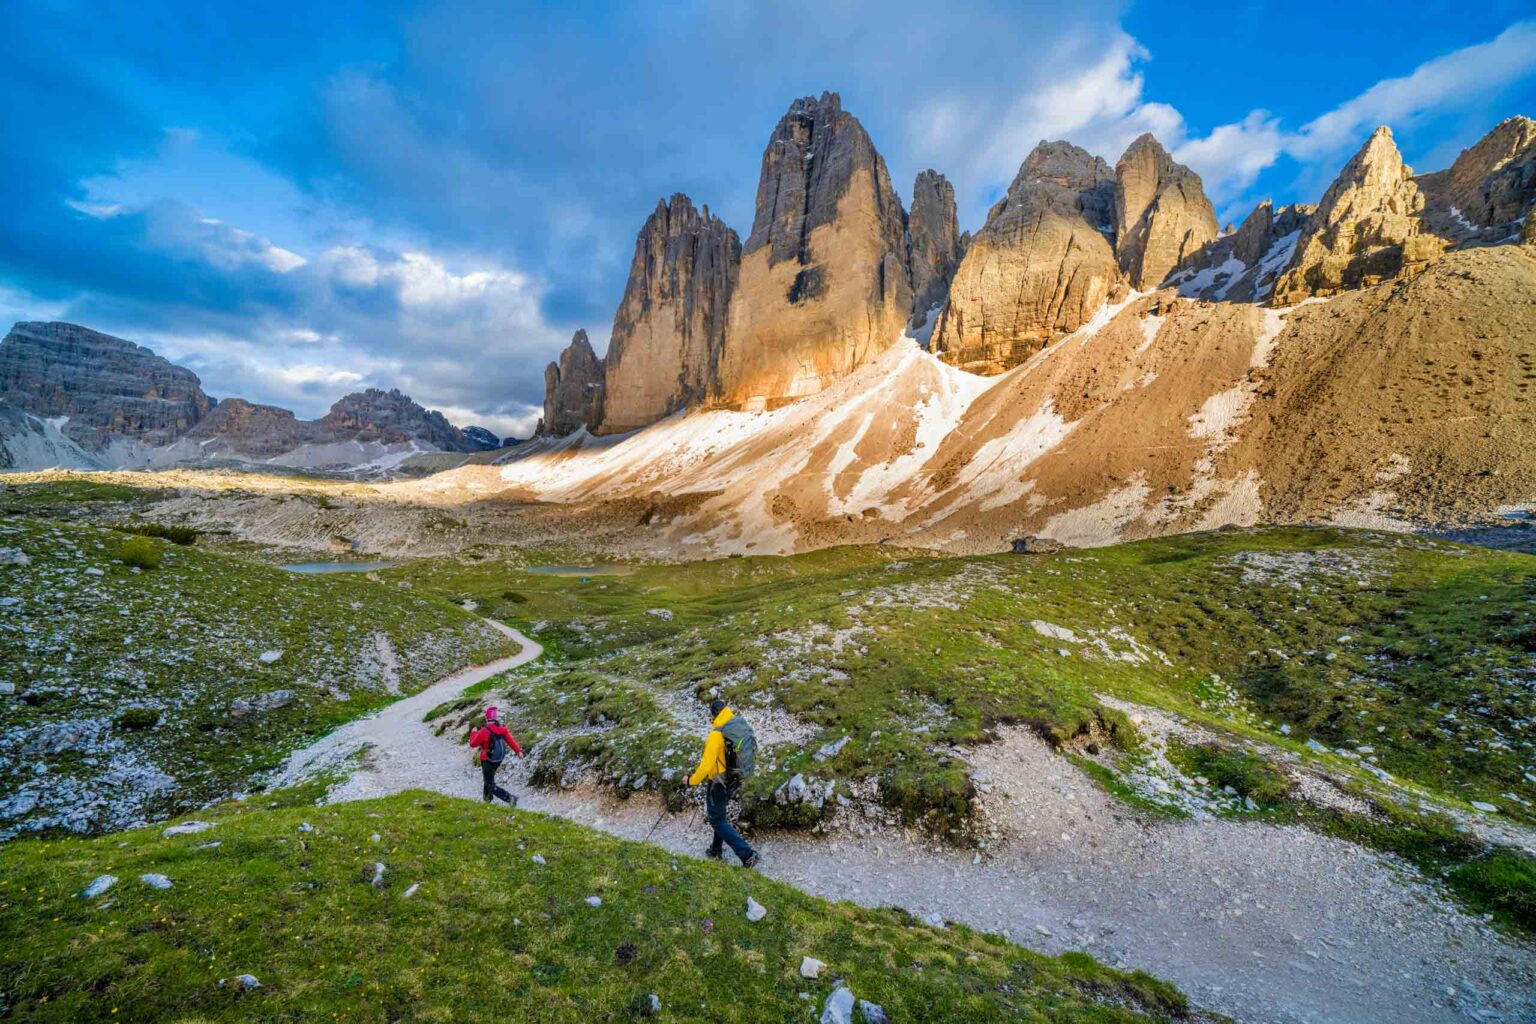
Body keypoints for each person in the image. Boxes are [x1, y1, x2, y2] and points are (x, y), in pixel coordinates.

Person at [687, 698, 759, 868]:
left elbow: (706, 766)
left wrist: (690, 780)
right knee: (719, 817)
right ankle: (715, 850)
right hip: (733, 779)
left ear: (713, 715)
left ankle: (748, 855)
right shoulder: (737, 724)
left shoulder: (715, 735)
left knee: (717, 820)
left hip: (718, 783)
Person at [468, 706, 523, 806]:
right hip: (498, 759)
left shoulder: (485, 731)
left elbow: (472, 743)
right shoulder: (502, 729)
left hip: (487, 759)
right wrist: (518, 751)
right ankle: (487, 801)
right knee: (488, 779)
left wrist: (473, 732)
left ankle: (510, 798)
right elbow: (510, 741)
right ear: (496, 718)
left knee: (489, 783)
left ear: (486, 718)